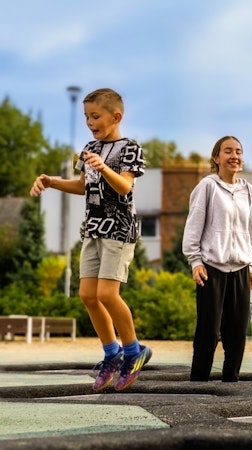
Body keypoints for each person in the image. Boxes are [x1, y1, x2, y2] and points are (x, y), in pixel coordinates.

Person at [30, 88, 151, 391]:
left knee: (108, 295)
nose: (89, 122)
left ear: (116, 116)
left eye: (95, 116)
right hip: (94, 229)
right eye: (86, 117)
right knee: (87, 295)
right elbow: (84, 185)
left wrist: (104, 166)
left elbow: (124, 186)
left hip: (119, 230)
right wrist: (51, 182)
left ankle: (134, 352)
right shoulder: (89, 148)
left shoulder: (130, 148)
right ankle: (112, 354)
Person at [182, 136, 252, 382]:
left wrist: (250, 265)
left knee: (236, 331)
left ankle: (231, 381)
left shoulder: (248, 190)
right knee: (209, 330)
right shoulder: (208, 186)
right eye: (228, 151)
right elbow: (194, 225)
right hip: (211, 268)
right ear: (216, 158)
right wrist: (195, 261)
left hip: (240, 267)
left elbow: (250, 230)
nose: (234, 156)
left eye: (238, 151)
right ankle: (199, 382)